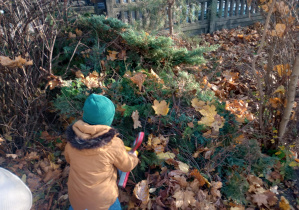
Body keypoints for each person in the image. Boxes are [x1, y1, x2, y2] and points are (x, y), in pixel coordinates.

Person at [65, 94, 139, 210]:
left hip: (77, 200)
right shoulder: (113, 144)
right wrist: (133, 156)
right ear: (109, 121)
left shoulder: (72, 141)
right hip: (103, 201)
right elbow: (127, 165)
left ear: (84, 114)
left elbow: (68, 159)